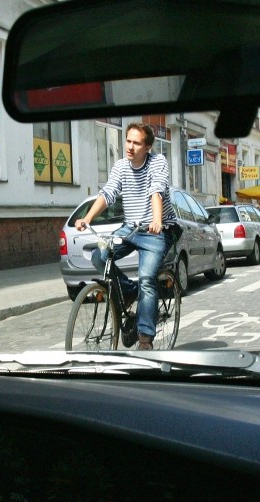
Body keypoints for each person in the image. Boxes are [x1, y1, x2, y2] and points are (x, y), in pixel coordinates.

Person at [75, 122, 176, 350]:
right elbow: (108, 193)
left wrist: (157, 220)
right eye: (128, 141)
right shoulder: (121, 167)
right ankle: (129, 291)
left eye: (136, 143)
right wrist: (88, 218)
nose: (130, 146)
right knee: (100, 256)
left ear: (147, 147)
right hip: (130, 228)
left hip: (155, 232)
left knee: (148, 279)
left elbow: (156, 191)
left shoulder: (158, 162)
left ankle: (145, 339)